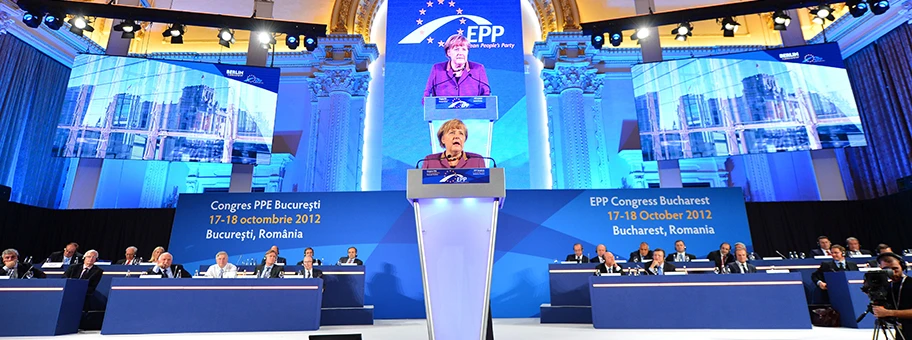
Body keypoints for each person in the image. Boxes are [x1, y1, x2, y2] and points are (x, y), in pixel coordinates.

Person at [423, 34, 490, 100]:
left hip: (471, 110)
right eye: (456, 49)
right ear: (448, 52)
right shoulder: (437, 69)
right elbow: (427, 95)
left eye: (464, 49)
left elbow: (486, 94)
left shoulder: (478, 69)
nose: (460, 53)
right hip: (444, 111)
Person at [872, 252, 912, 340]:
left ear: (902, 267)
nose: (893, 273)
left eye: (895, 269)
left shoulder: (910, 283)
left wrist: (889, 312)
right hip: (901, 330)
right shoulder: (887, 287)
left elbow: (888, 312)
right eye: (887, 270)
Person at [421, 119, 486, 169]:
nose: (457, 136)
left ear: (464, 139)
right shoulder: (430, 161)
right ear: (443, 139)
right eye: (452, 133)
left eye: (461, 133)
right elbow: (421, 185)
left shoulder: (477, 160)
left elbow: (485, 185)